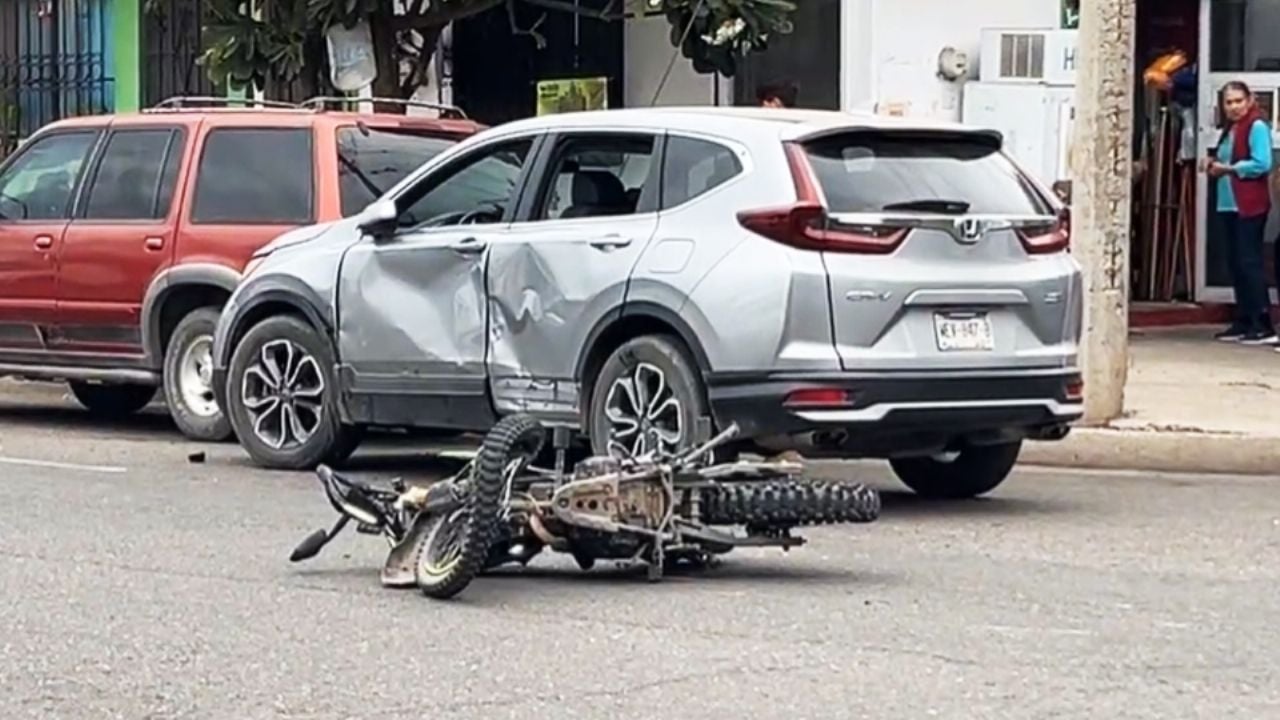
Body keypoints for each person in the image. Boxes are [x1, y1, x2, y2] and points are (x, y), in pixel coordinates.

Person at [1203, 80, 1277, 345]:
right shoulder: (1232, 128)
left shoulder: (1256, 126)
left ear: (1249, 100)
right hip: (1228, 202)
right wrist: (1214, 164)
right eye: (1228, 102)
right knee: (1235, 263)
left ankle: (1262, 321)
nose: (1234, 107)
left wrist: (1229, 169)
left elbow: (1262, 163)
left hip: (1249, 204)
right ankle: (1244, 319)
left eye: (1238, 101)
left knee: (1249, 262)